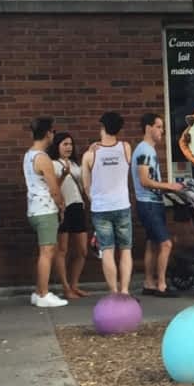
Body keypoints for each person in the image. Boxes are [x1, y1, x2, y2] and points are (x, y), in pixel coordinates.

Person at [83, 111, 135, 296]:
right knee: (126, 249)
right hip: (122, 205)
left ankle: (113, 291)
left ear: (103, 127)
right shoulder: (126, 148)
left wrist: (95, 199)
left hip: (101, 208)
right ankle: (125, 290)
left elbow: (86, 185)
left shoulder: (89, 155)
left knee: (107, 249)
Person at [133, 113, 182, 297]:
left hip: (153, 202)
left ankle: (149, 283)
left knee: (152, 243)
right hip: (149, 203)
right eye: (159, 127)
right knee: (166, 244)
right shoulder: (145, 150)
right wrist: (168, 186)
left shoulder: (148, 150)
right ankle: (161, 285)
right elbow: (144, 180)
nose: (162, 131)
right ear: (148, 128)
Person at [23, 115, 67, 308]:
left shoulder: (29, 155)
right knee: (47, 252)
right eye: (53, 131)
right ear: (48, 133)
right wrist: (61, 206)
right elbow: (54, 189)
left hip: (34, 209)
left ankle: (38, 291)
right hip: (45, 210)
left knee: (44, 252)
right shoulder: (43, 158)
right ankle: (43, 293)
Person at [50, 131, 88, 300]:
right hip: (62, 208)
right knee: (62, 249)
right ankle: (65, 287)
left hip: (77, 206)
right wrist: (64, 175)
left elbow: (84, 183)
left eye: (70, 144)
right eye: (65, 144)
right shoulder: (52, 164)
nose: (68, 147)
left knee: (82, 250)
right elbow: (52, 188)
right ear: (57, 146)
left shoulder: (75, 164)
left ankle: (74, 284)